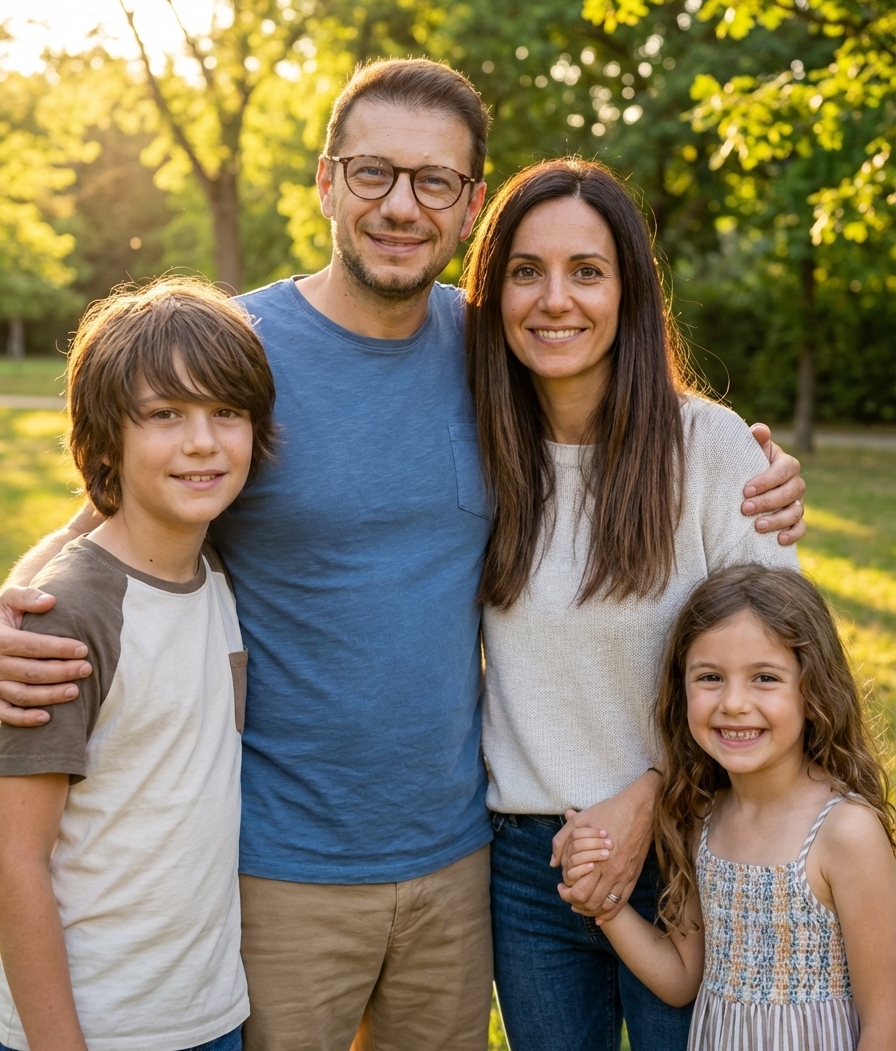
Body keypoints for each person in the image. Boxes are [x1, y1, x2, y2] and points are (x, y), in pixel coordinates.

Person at [0, 61, 806, 1051]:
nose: (399, 204)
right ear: (325, 180)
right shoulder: (237, 352)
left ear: (470, 204)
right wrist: (12, 603)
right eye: (372, 172)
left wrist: (755, 464)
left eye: (433, 181)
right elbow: (114, 507)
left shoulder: (494, 357)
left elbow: (626, 426)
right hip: (281, 861)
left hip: (458, 859)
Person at [463, 157, 805, 1050]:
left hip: (694, 849)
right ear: (493, 292)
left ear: (629, 292)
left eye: (587, 270)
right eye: (526, 271)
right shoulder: (476, 451)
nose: (555, 299)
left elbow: (783, 664)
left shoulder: (713, 447)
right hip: (529, 868)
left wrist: (651, 793)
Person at [0, 279, 277, 1051]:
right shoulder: (73, 614)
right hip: (94, 1027)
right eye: (165, 414)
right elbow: (12, 858)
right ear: (105, 438)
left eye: (227, 411)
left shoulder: (216, 574)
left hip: (209, 1014)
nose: (202, 441)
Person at [565, 566, 896, 1050]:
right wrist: (604, 904)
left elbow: (885, 1021)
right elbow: (682, 978)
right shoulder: (700, 818)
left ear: (813, 689)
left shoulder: (846, 832)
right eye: (710, 677)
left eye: (765, 677)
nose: (734, 703)